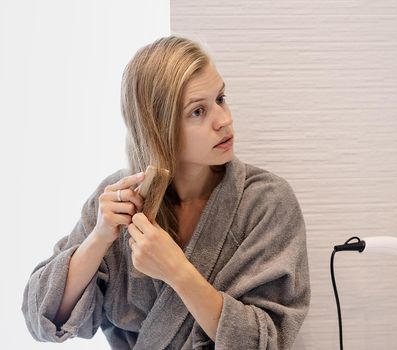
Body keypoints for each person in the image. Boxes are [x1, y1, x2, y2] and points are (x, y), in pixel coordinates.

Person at [21, 35, 311, 350]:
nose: (224, 120)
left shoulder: (266, 203)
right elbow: (42, 318)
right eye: (198, 111)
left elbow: (269, 342)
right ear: (158, 126)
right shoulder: (118, 201)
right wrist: (99, 238)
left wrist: (178, 272)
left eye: (221, 98)